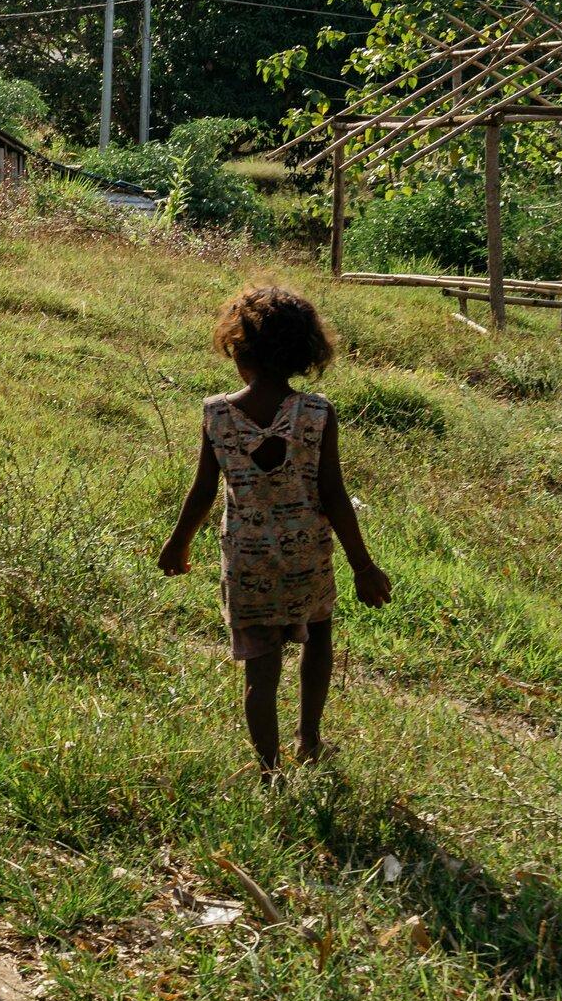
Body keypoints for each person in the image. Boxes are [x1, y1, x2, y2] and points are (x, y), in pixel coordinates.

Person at [156, 285, 392, 778]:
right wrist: (363, 567)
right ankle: (309, 738)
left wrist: (178, 543)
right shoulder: (317, 413)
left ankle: (269, 770)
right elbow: (334, 494)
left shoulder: (217, 414)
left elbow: (202, 492)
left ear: (238, 350)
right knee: (318, 636)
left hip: (247, 564)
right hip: (308, 558)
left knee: (260, 671)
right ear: (304, 353)